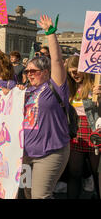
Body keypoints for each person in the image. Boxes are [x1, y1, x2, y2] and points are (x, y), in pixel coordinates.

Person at [18, 14, 71, 199]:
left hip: (50, 152)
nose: (29, 74)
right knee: (28, 193)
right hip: (25, 154)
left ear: (46, 72)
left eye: (34, 71)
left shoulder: (55, 86)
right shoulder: (26, 91)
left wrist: (50, 34)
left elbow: (57, 61)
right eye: (27, 71)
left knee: (41, 195)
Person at [65, 55, 100, 199]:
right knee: (74, 172)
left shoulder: (95, 85)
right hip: (76, 131)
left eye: (77, 71)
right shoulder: (69, 88)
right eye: (71, 72)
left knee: (97, 173)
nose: (74, 75)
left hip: (94, 131)